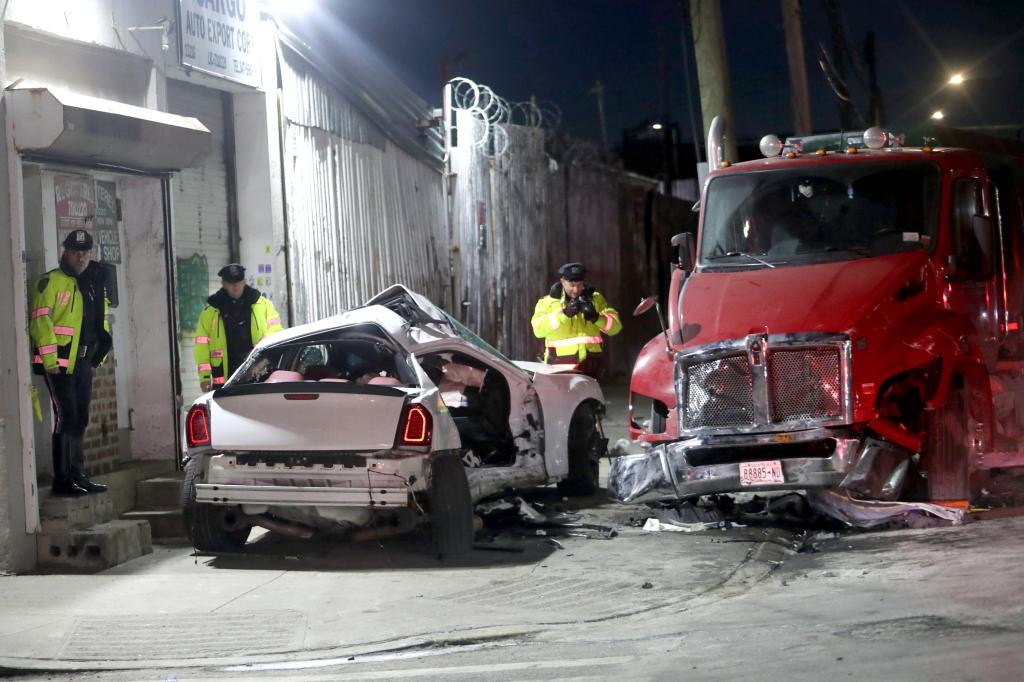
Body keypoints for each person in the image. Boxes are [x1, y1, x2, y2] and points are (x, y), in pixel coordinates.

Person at [29, 229, 112, 496]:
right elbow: (41, 323)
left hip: (84, 361)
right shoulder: (50, 282)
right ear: (65, 252)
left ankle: (78, 474)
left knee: (81, 417)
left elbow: (100, 320)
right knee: (66, 417)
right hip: (60, 364)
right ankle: (62, 479)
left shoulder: (90, 283)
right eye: (76, 252)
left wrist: (100, 354)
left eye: (86, 252)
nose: (81, 257)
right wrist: (50, 360)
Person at [195, 263, 284, 391]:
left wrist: (262, 362)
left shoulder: (262, 305)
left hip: (257, 374)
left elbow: (276, 334)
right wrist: (204, 378)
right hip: (224, 380)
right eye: (231, 282)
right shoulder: (211, 311)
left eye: (238, 281)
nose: (235, 285)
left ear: (244, 281)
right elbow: (201, 347)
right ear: (224, 284)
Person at [531, 262, 621, 378]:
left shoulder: (595, 299)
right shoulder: (547, 303)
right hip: (559, 371)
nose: (576, 290)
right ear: (562, 282)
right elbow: (538, 330)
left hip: (591, 369)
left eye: (579, 285)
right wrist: (564, 314)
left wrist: (596, 317)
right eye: (572, 285)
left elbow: (615, 328)